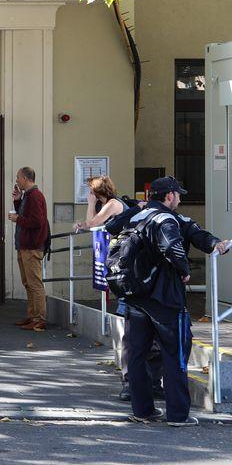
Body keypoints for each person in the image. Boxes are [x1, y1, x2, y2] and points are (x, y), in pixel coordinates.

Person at [124, 176, 230, 427]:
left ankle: (143, 411)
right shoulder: (167, 219)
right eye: (178, 195)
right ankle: (178, 414)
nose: (180, 199)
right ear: (169, 196)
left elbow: (195, 233)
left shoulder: (137, 216)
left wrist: (214, 243)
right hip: (165, 299)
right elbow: (175, 245)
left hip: (135, 297)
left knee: (137, 355)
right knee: (175, 354)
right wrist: (184, 269)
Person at [75, 175, 163, 402]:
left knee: (136, 335)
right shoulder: (114, 206)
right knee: (136, 334)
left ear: (96, 191)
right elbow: (94, 223)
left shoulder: (114, 205)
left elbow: (93, 223)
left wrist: (89, 205)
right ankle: (138, 383)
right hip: (130, 274)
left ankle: (140, 383)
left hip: (131, 274)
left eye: (90, 191)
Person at [9, 166, 49, 332]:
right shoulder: (28, 196)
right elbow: (30, 217)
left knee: (34, 283)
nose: (17, 180)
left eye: (18, 177)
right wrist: (18, 201)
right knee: (28, 283)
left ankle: (39, 319)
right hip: (26, 246)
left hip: (31, 247)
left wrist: (18, 218)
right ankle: (33, 316)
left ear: (25, 178)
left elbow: (36, 222)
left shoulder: (34, 196)